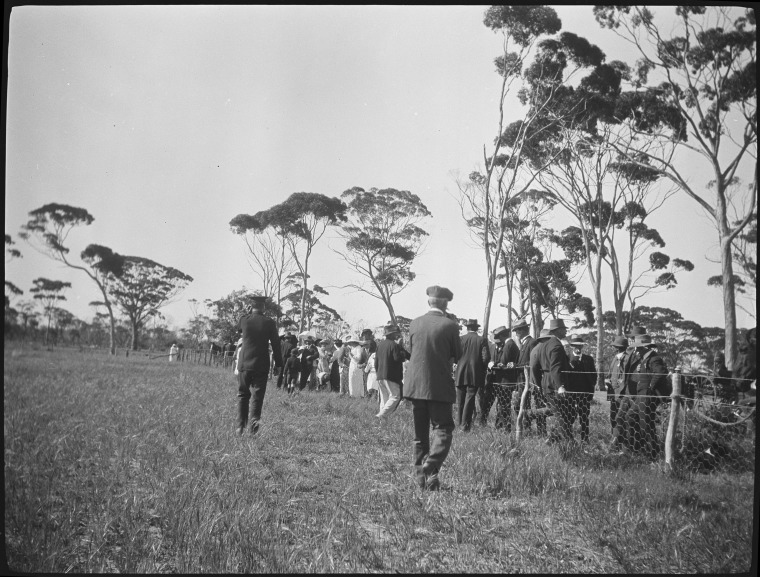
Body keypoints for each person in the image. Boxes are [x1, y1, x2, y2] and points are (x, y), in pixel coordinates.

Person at [403, 285, 462, 491]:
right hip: (438, 386)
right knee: (443, 429)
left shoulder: (414, 323)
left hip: (415, 386)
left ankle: (425, 481)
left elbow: (413, 351)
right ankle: (432, 465)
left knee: (420, 435)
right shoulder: (450, 326)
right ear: (445, 303)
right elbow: (457, 354)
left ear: (429, 302)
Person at [236, 295, 283, 435]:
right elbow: (275, 344)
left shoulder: (244, 320)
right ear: (264, 307)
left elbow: (240, 331)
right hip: (261, 364)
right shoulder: (269, 322)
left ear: (251, 307)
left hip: (244, 363)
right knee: (257, 397)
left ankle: (240, 427)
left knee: (243, 395)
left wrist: (248, 313)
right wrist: (279, 364)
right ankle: (253, 430)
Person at [624, 334, 670, 460]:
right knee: (630, 418)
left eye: (638, 348)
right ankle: (636, 448)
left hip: (647, 396)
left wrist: (651, 387)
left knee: (646, 424)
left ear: (645, 347)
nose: (636, 350)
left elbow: (660, 372)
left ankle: (652, 454)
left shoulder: (654, 358)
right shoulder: (645, 359)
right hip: (641, 396)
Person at [535, 318, 572, 444]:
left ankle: (552, 439)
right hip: (554, 385)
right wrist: (560, 385)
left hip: (547, 382)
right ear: (557, 330)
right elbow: (555, 367)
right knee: (562, 415)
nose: (565, 331)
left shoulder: (544, 345)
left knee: (565, 413)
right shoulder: (556, 345)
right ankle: (570, 443)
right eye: (563, 329)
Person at [454, 318, 490, 431]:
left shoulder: (461, 339)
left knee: (460, 400)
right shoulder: (481, 340)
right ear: (476, 328)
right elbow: (486, 358)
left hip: (460, 373)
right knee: (469, 400)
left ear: (467, 328)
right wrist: (483, 369)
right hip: (474, 373)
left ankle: (460, 423)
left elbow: (455, 355)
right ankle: (465, 427)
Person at [565, 335, 597, 444]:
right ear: (572, 346)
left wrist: (591, 390)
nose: (578, 348)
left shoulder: (588, 359)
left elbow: (594, 376)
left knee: (584, 417)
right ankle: (568, 439)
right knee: (570, 416)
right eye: (575, 346)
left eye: (580, 346)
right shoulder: (567, 358)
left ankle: (585, 439)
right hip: (570, 394)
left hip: (584, 393)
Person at [375, 324, 409, 418]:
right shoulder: (394, 345)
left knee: (384, 399)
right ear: (393, 334)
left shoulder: (380, 345)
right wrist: (400, 347)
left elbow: (376, 362)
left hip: (380, 375)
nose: (398, 335)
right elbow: (398, 358)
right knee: (396, 396)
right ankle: (380, 416)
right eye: (397, 334)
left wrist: (378, 373)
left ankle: (382, 422)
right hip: (391, 376)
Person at [511, 319, 537, 431]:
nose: (516, 333)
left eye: (518, 330)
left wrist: (516, 365)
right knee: (518, 404)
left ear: (524, 330)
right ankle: (522, 426)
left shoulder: (531, 342)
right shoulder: (522, 343)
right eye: (515, 330)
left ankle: (526, 427)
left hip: (526, 379)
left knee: (524, 404)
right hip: (520, 379)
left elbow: (532, 362)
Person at [528, 328, 553, 436]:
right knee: (541, 409)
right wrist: (538, 386)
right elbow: (533, 368)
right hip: (538, 386)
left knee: (542, 409)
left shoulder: (541, 348)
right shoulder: (538, 350)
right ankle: (541, 433)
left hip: (541, 385)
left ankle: (542, 432)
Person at [607, 335, 629, 449]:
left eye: (620, 346)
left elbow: (625, 377)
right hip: (613, 393)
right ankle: (615, 440)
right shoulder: (615, 358)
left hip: (622, 393)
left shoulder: (627, 358)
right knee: (613, 417)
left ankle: (620, 442)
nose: (618, 348)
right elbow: (611, 374)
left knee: (621, 418)